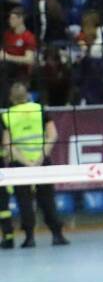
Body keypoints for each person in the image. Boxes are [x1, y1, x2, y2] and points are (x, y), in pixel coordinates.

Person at [0, 80, 68, 247]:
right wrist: (40, 158)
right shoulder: (39, 109)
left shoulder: (7, 115)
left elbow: (7, 144)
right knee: (47, 199)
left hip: (20, 164)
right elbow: (53, 135)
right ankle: (57, 235)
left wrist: (26, 162)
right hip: (42, 161)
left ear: (11, 98)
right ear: (27, 95)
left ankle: (29, 238)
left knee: (24, 202)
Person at [2, 6, 36, 90]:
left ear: (21, 19)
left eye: (13, 18)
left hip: (19, 71)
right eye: (10, 18)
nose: (10, 21)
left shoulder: (28, 37)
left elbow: (29, 59)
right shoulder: (7, 34)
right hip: (5, 68)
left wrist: (8, 57)